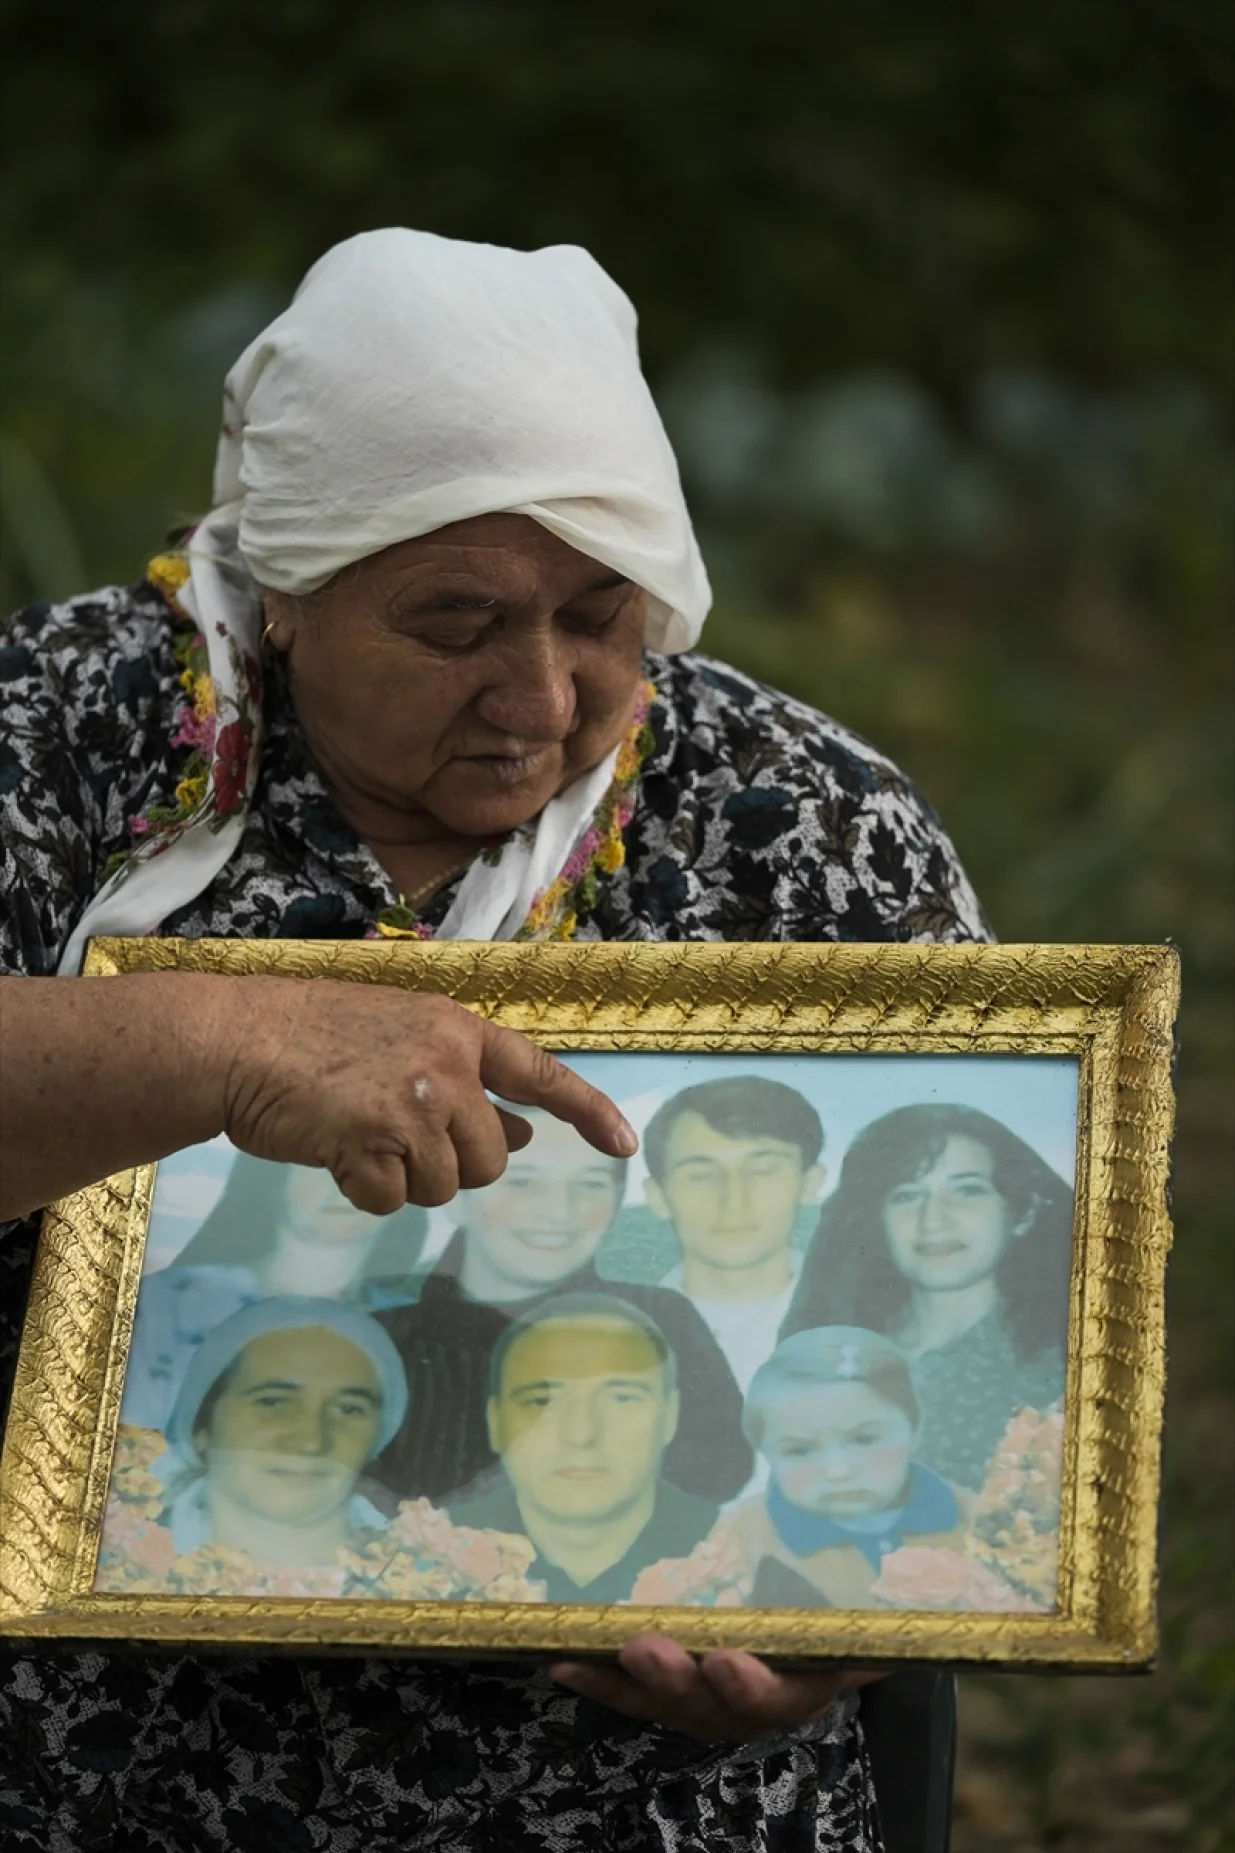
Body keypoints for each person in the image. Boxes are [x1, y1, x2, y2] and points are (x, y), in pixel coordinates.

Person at [0, 227, 989, 1848]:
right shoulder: (52, 744)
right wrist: (216, 1048)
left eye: (604, 617)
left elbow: (960, 1321)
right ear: (293, 596)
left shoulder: (799, 825)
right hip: (99, 1762)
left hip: (634, 1793)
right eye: (456, 625)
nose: (543, 696)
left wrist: (848, 1618)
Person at [375, 1105, 751, 1504]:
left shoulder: (660, 1322)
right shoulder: (380, 1344)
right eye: (522, 1182)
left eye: (590, 1184)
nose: (559, 1212)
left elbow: (718, 1477)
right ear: (456, 1199)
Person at [782, 1104, 1071, 1489]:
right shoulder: (830, 1353)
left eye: (967, 1191)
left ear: (1023, 1213)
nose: (933, 1220)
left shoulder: (1059, 1368)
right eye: (906, 1196)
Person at [102, 1299, 408, 1583]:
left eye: (349, 1409)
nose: (310, 1441)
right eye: (273, 1403)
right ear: (202, 1424)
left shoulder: (426, 1577)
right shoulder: (112, 1564)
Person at [121, 1152, 427, 1431]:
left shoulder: (420, 1331)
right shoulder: (164, 1304)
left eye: (375, 1164)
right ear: (271, 1179)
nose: (344, 1186)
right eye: (319, 1165)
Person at [450, 1295, 718, 1602]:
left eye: (621, 1398)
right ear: (495, 1423)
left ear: (670, 1416)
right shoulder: (430, 1553)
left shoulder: (737, 1550)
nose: (581, 1434)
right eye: (542, 1401)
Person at [726, 1327, 972, 1609]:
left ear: (915, 1428)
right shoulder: (740, 1541)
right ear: (765, 1450)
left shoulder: (978, 1523)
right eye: (800, 1450)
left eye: (865, 1439)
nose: (838, 1472)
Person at [642, 1076, 825, 1395]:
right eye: (700, 1175)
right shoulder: (620, 1335)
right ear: (658, 1196)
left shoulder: (871, 1321)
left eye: (763, 1170)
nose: (734, 1201)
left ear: (809, 1183)